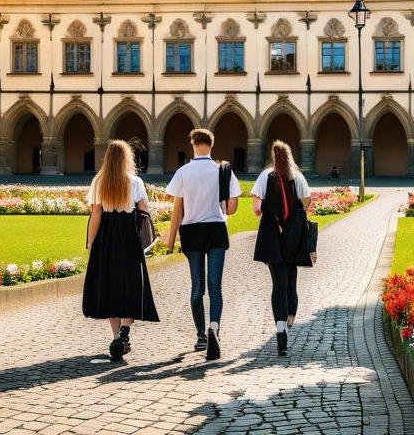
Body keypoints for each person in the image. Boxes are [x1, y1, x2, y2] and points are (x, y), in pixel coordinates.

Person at [165, 128, 241, 361]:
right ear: (211, 144)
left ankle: (200, 336)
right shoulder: (222, 170)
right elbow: (232, 208)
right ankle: (214, 328)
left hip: (192, 231)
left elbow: (177, 209)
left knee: (197, 286)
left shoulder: (183, 172)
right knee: (215, 286)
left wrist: (170, 241)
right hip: (216, 229)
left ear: (193, 144)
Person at [83, 139, 159, 360]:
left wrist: (91, 243)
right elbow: (144, 210)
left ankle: (117, 336)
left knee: (109, 285)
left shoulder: (99, 181)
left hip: (105, 236)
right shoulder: (135, 181)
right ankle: (125, 331)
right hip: (128, 236)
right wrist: (149, 237)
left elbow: (95, 214)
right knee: (130, 285)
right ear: (127, 159)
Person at [251, 139, 315, 357]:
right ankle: (288, 323)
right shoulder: (298, 177)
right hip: (293, 235)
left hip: (271, 235)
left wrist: (268, 209)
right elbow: (305, 203)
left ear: (272, 155)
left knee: (278, 284)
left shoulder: (264, 176)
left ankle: (279, 329)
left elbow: (257, 208)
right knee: (291, 282)